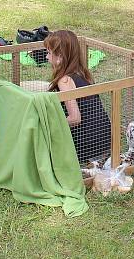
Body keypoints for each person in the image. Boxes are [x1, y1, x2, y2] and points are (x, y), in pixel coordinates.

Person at [44, 30, 111, 165]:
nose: (46, 57)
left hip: (86, 146)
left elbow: (75, 118)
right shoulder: (82, 73)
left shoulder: (65, 80)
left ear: (60, 56)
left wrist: (49, 125)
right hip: (105, 141)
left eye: (49, 53)